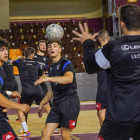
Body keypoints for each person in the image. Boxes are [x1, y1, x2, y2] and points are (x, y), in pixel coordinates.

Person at [72, 4, 140, 140]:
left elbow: (90, 67)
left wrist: (87, 43)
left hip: (119, 117)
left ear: (121, 24)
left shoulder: (114, 47)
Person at [34, 41, 80, 140]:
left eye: (55, 46)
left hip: (69, 102)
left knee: (65, 135)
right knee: (45, 132)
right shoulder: (51, 68)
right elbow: (53, 89)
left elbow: (69, 79)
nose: (51, 48)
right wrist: (42, 102)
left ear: (60, 49)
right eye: (49, 46)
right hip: (57, 104)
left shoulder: (65, 63)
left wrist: (48, 78)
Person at [11, 47, 49, 137]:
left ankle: (26, 130)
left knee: (20, 110)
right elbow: (41, 76)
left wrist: (19, 58)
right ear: (33, 54)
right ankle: (57, 127)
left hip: (26, 91)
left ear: (24, 54)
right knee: (48, 109)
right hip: (38, 90)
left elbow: (10, 62)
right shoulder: (37, 64)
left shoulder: (19, 62)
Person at [0, 38, 30, 140]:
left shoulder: (2, 70)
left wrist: (10, 93)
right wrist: (18, 106)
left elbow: (1, 92)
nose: (5, 52)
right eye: (1, 50)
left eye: (6, 49)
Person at [96, 29, 110, 125]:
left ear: (99, 39)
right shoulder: (115, 52)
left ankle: (105, 135)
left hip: (102, 89)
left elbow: (89, 71)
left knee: (101, 112)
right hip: (114, 88)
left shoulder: (96, 53)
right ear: (108, 38)